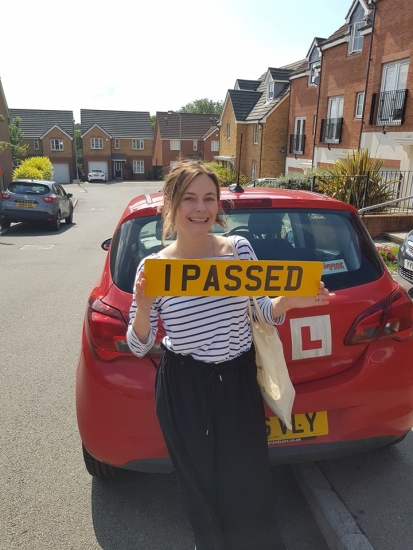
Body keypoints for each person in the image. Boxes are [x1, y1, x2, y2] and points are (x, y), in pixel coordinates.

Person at [126, 160, 334, 550]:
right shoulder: (153, 267)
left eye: (208, 198)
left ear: (218, 206)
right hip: (182, 386)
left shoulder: (238, 250)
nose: (200, 208)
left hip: (237, 381)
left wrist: (292, 300)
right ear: (171, 203)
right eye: (189, 198)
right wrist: (141, 304)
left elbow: (260, 311)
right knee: (197, 481)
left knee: (247, 480)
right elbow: (140, 344)